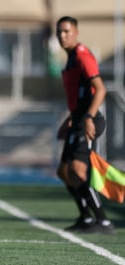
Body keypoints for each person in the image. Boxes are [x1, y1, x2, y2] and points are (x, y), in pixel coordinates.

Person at [55, 16, 114, 234]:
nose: (62, 36)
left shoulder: (82, 55)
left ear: (76, 32)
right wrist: (70, 119)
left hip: (88, 120)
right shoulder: (70, 58)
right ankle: (86, 218)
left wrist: (88, 118)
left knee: (78, 171)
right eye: (59, 32)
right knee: (63, 171)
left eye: (66, 31)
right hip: (78, 119)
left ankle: (103, 221)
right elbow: (77, 98)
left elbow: (100, 89)